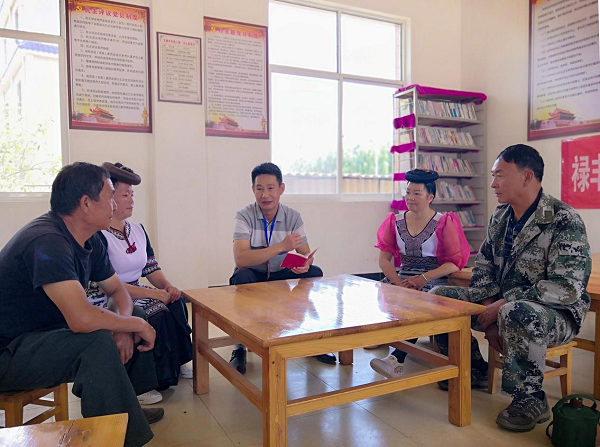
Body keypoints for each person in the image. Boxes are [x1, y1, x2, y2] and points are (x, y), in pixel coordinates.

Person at [0, 162, 163, 447]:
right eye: (110, 197)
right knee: (96, 342)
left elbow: (117, 291)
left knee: (133, 313)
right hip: (9, 352)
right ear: (86, 203)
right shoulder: (48, 241)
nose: (115, 205)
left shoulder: (90, 239)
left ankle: (125, 411)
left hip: (43, 335)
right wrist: (133, 324)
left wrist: (126, 326)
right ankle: (123, 436)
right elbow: (80, 318)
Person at [431, 144, 591, 433]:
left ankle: (530, 398)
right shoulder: (501, 217)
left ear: (526, 176)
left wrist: (503, 305)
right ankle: (475, 370)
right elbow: (483, 268)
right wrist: (490, 314)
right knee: (439, 297)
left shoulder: (564, 220)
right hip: (502, 307)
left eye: (499, 175)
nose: (493, 184)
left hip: (555, 315)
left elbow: (566, 287)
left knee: (516, 311)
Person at [87, 162, 193, 404]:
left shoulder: (137, 229)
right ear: (109, 197)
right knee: (154, 311)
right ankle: (148, 382)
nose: (131, 200)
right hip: (108, 296)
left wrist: (166, 286)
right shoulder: (98, 235)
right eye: (125, 195)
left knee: (176, 301)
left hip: (136, 288)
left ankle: (178, 362)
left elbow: (151, 268)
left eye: (132, 195)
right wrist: (155, 295)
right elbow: (107, 284)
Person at [229, 162, 330, 374]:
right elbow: (241, 259)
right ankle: (239, 347)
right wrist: (281, 247)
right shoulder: (244, 216)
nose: (265, 194)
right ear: (253, 189)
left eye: (270, 188)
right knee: (242, 276)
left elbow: (305, 254)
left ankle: (310, 338)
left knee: (315, 273)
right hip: (254, 272)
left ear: (281, 189)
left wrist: (305, 264)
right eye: (259, 188)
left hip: (280, 272)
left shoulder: (293, 216)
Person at [370, 169, 470, 379]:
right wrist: (399, 283)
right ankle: (386, 339)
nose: (410, 198)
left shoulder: (444, 222)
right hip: (403, 277)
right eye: (408, 192)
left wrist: (424, 278)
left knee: (419, 300)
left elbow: (455, 263)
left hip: (433, 278)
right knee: (386, 291)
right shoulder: (394, 221)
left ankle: (396, 359)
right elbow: (383, 260)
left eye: (417, 193)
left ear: (430, 197)